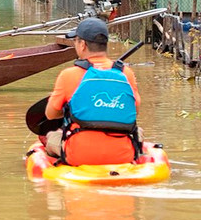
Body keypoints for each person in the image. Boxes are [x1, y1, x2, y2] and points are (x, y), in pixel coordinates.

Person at [37, 17, 142, 165]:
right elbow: (135, 110)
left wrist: (70, 107)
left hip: (79, 156)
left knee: (51, 136)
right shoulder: (126, 73)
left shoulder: (68, 75)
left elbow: (50, 114)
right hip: (123, 156)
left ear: (83, 44)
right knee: (140, 132)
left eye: (75, 41)